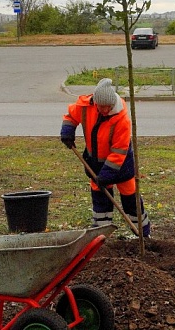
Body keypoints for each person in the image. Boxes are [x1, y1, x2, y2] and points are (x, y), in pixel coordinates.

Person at [60, 78, 151, 238]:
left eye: (107, 107)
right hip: (94, 163)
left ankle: (143, 235)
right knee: (100, 202)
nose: (103, 110)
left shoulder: (121, 119)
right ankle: (100, 235)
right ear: (95, 102)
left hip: (121, 165)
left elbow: (119, 152)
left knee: (131, 199)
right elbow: (71, 116)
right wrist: (68, 131)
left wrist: (107, 175)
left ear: (112, 103)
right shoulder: (86, 107)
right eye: (100, 106)